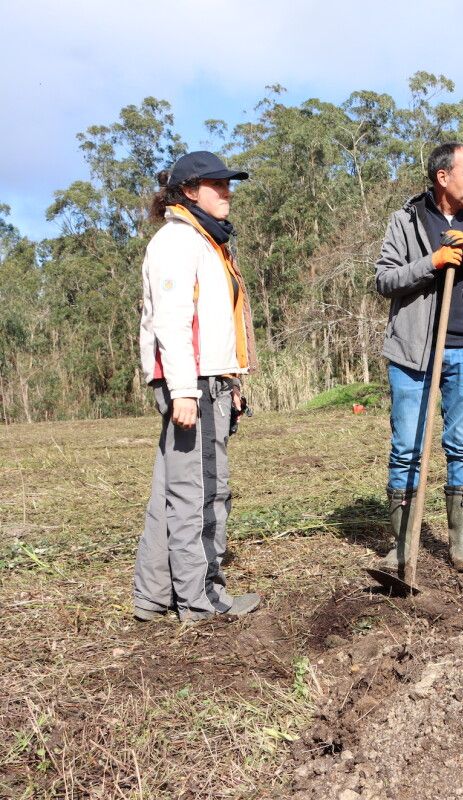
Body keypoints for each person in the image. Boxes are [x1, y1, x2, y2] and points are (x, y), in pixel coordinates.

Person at [133, 151, 260, 623]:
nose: (227, 191)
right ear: (189, 191)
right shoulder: (178, 241)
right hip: (194, 385)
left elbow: (217, 323)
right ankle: (203, 599)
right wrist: (186, 389)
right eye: (217, 184)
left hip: (210, 379)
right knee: (203, 493)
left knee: (171, 490)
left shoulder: (206, 241)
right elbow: (171, 321)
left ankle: (153, 596)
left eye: (229, 184)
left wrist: (233, 380)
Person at [375, 142, 463, 573]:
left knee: (462, 445)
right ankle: (401, 546)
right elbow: (384, 279)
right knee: (406, 450)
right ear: (443, 177)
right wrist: (431, 262)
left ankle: (461, 543)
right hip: (413, 355)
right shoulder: (406, 219)